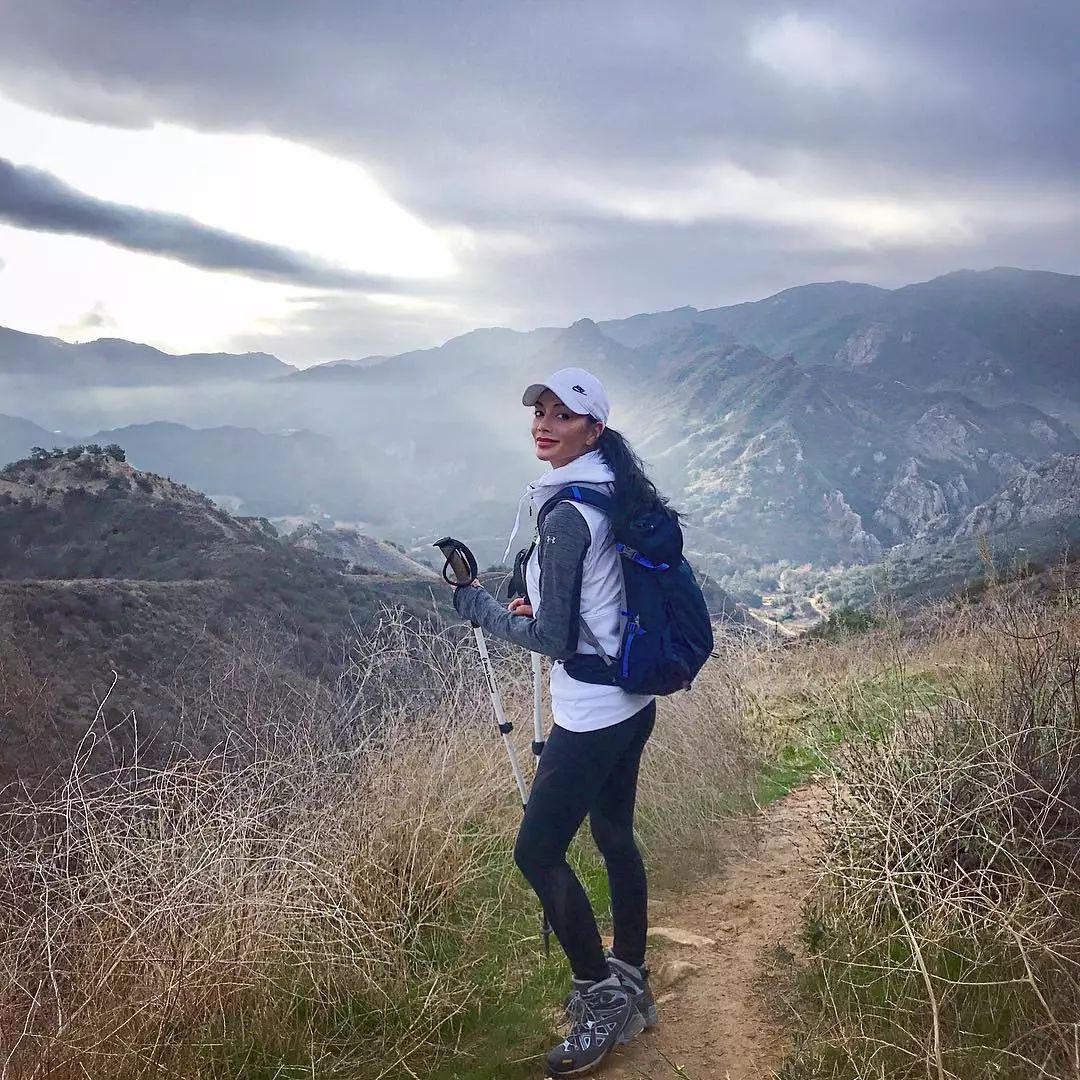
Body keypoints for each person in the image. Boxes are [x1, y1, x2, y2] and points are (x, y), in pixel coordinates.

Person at [450, 366, 668, 1076]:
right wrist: (536, 608)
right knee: (613, 835)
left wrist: (476, 606)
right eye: (538, 410)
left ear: (593, 428)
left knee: (535, 853)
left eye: (561, 415)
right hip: (633, 700)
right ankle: (630, 976)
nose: (543, 423)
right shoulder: (611, 492)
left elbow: (551, 641)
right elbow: (579, 613)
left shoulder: (570, 512)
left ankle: (599, 995)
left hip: (594, 713)